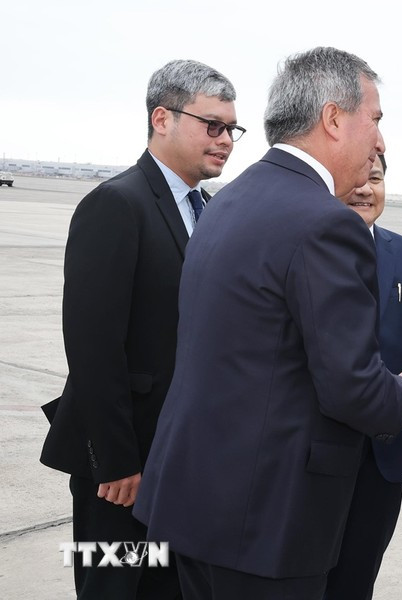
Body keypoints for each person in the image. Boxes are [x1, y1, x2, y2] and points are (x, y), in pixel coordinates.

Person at [133, 47, 402, 599]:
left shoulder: (230, 200)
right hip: (266, 519)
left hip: (195, 502)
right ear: (332, 118)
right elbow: (350, 387)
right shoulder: (324, 223)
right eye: (375, 119)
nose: (380, 141)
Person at [39, 59, 241, 599]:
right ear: (162, 119)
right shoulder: (117, 203)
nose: (226, 140)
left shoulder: (212, 211)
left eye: (231, 129)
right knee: (116, 585)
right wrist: (117, 460)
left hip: (184, 456)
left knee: (171, 587)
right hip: (125, 466)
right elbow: (92, 345)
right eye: (212, 125)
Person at [324, 154, 402, 599]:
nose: (365, 190)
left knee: (360, 571)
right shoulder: (310, 248)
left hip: (386, 452)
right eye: (356, 180)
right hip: (318, 449)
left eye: (375, 179)